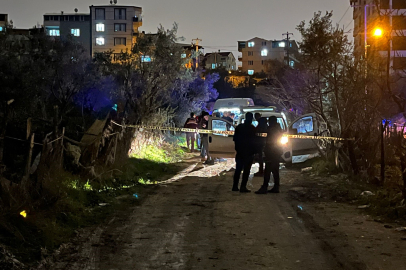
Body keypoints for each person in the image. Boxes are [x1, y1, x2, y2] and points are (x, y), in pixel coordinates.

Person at [255, 116, 283, 194]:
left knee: (268, 170)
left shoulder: (272, 130)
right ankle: (276, 187)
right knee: (275, 170)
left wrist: (266, 150)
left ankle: (264, 187)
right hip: (276, 152)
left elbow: (270, 142)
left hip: (272, 152)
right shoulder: (277, 129)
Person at [232, 112, 257, 193]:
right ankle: (243, 187)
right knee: (246, 170)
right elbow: (254, 141)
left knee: (238, 169)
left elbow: (235, 139)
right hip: (249, 152)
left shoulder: (239, 127)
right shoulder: (252, 128)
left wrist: (237, 148)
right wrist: (254, 151)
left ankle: (235, 186)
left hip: (240, 152)